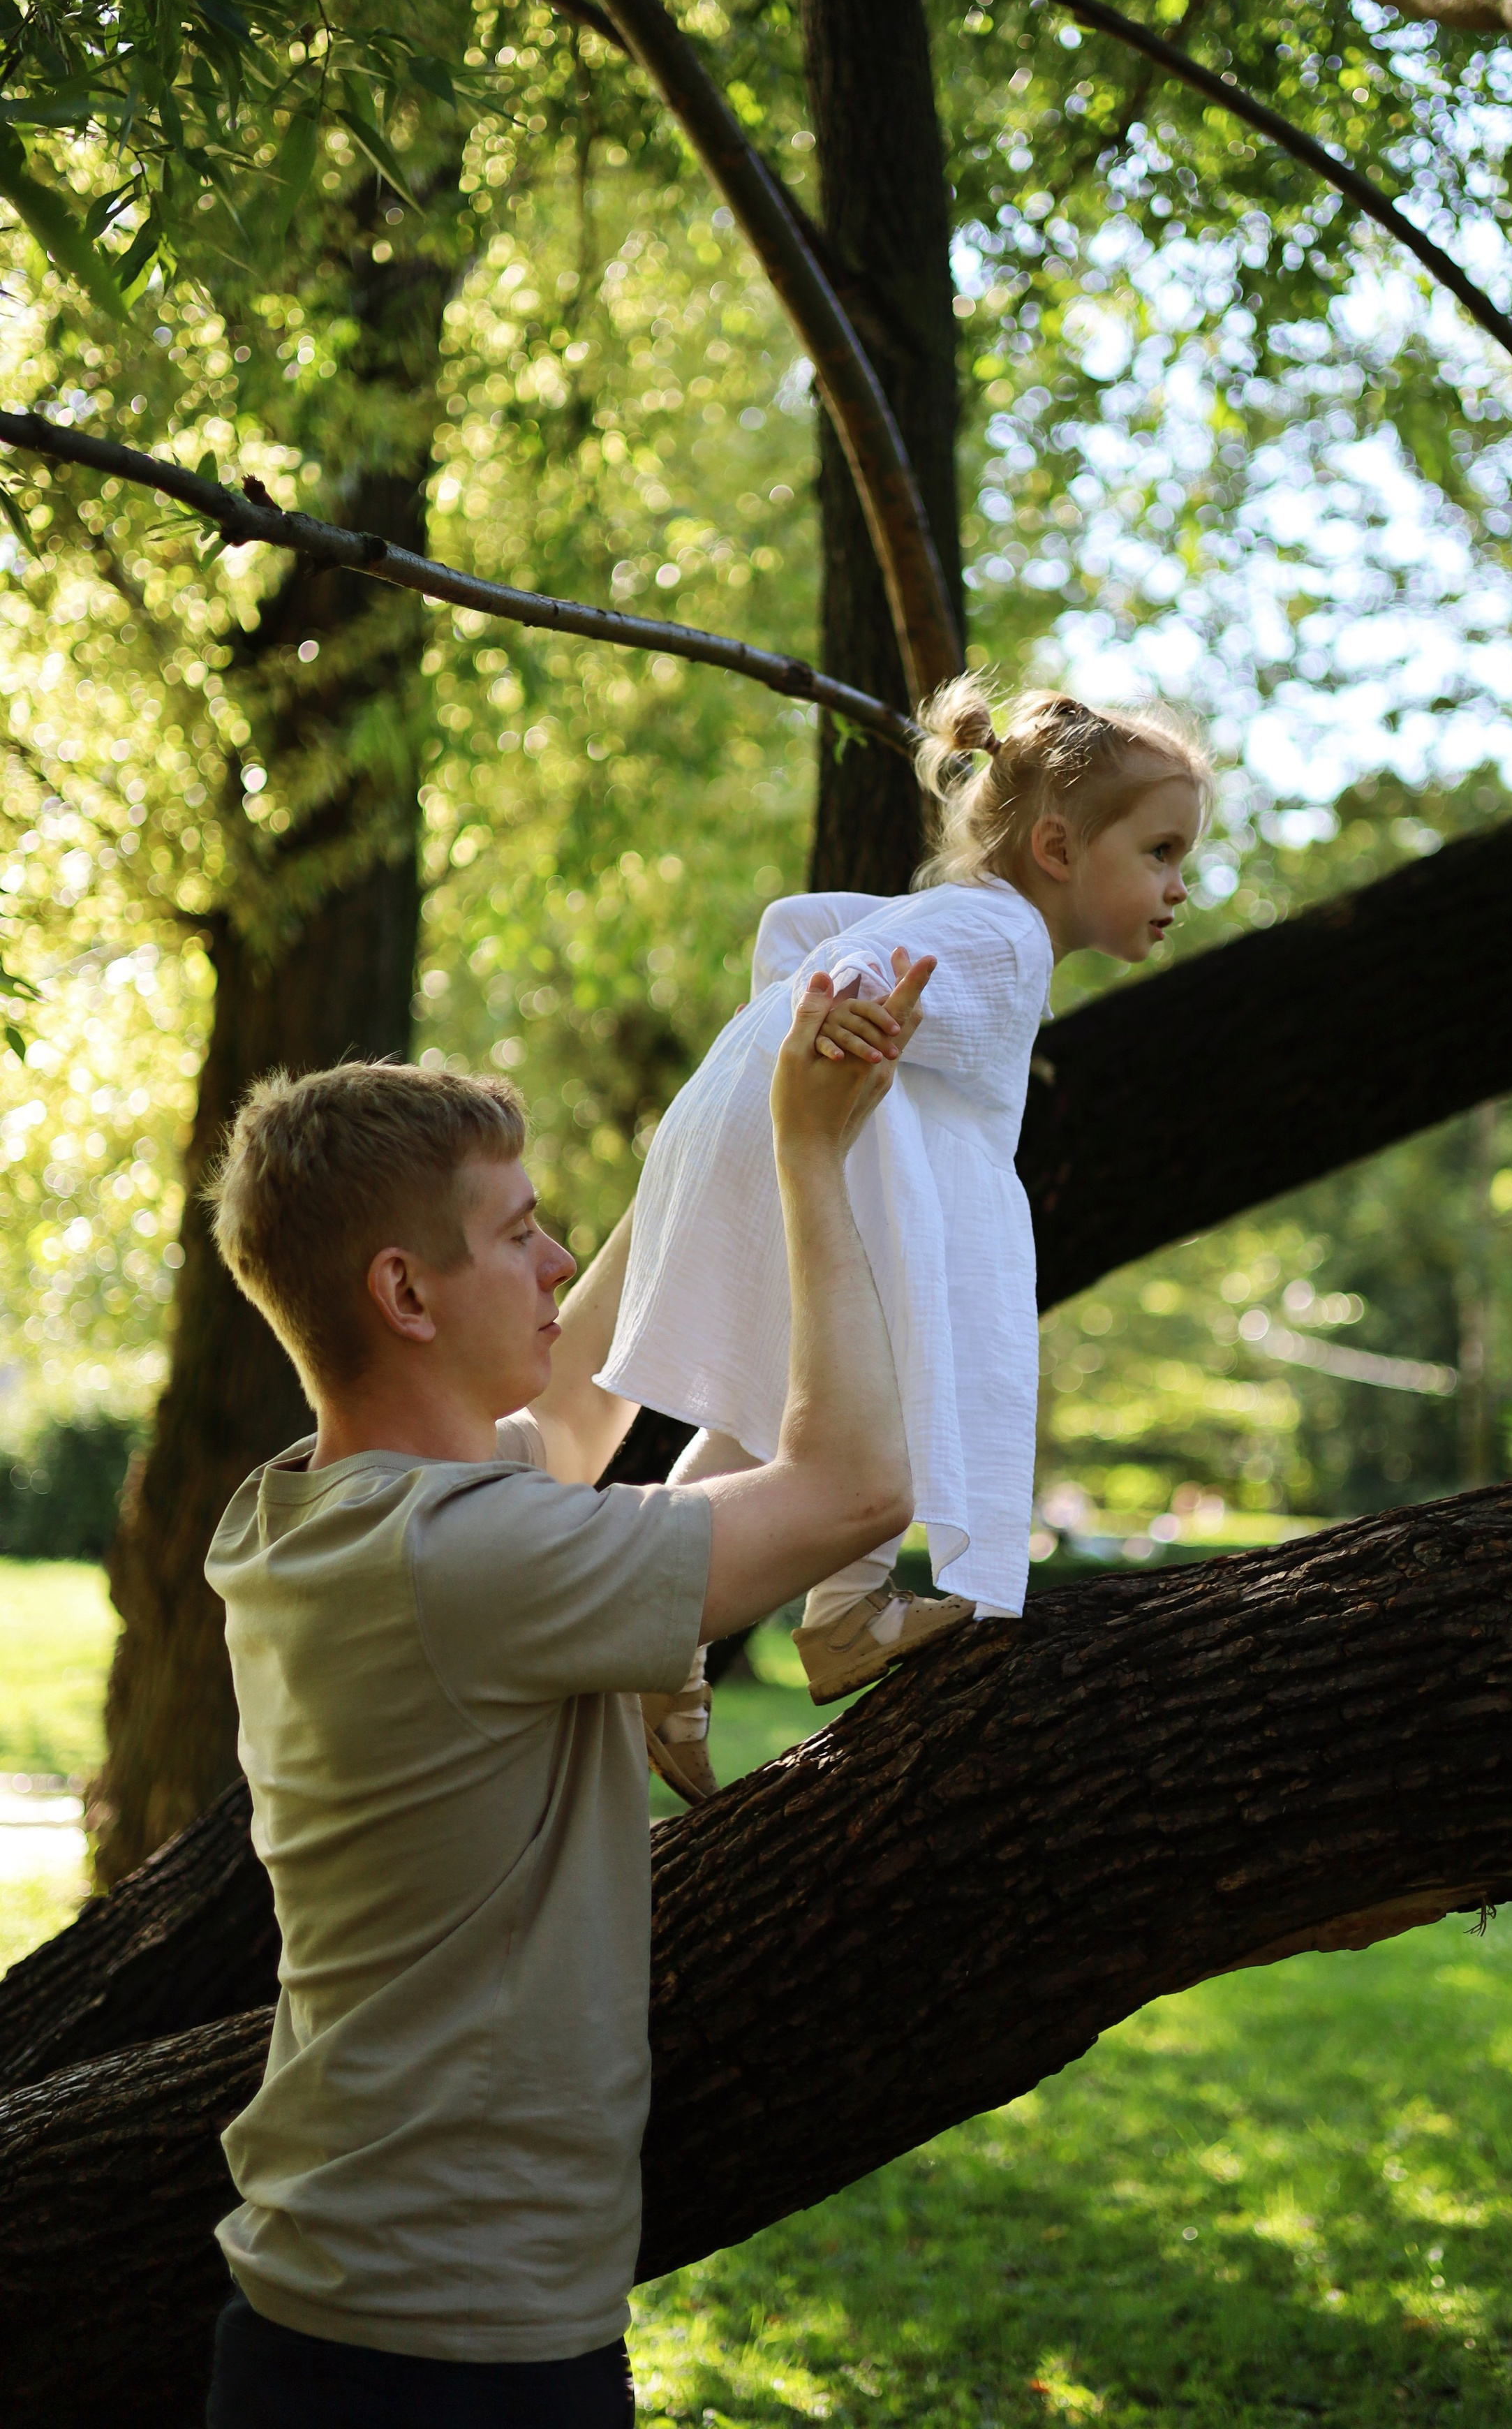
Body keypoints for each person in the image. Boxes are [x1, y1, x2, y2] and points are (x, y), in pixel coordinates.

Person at [200, 950, 932, 2429]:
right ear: (404, 1289)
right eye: (521, 1234)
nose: (554, 1262)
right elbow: (856, 1490)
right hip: (436, 2360)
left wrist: (741, 1084)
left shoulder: (329, 1512)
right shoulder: (464, 1559)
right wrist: (804, 1154)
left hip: (363, 2311)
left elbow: (591, 1374)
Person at [596, 677, 1213, 1801]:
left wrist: (834, 1003)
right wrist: (848, 1010)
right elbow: (846, 967)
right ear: (1061, 846)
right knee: (905, 1358)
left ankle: (683, 1632)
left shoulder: (975, 922)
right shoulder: (1003, 934)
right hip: (815, 1137)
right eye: (1163, 852)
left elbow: (800, 928)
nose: (1181, 888)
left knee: (779, 1403)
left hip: (780, 1126)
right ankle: (830, 1611)